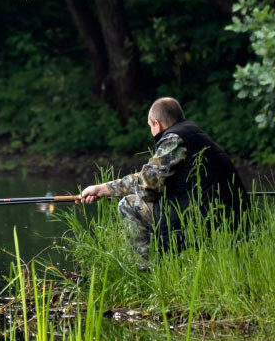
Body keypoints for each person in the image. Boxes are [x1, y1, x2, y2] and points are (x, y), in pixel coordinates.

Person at [80, 97, 247, 259]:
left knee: (128, 204)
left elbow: (148, 185)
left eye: (150, 126)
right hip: (231, 214)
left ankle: (144, 271)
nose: (151, 132)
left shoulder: (174, 140)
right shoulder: (197, 136)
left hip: (202, 217)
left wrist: (102, 189)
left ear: (157, 124)